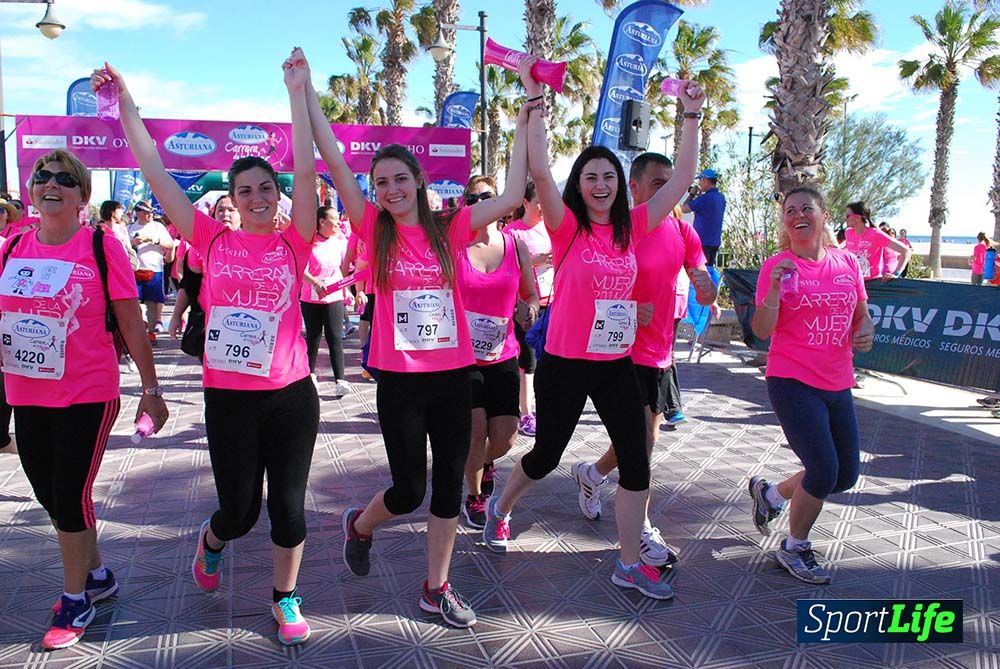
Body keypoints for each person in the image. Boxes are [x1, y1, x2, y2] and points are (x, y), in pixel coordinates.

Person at [94, 55, 320, 646]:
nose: (256, 198)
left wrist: (298, 91)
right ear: (233, 198)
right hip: (230, 398)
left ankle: (285, 597)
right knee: (240, 511)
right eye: (244, 191)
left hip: (293, 393)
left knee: (289, 510)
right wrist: (125, 107)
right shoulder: (209, 238)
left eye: (265, 189)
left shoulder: (295, 241)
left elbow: (302, 159)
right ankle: (214, 539)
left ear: (279, 194)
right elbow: (155, 168)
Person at [301, 46, 529, 628]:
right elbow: (329, 157)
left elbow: (508, 197)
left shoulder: (450, 225)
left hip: (454, 377)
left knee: (449, 486)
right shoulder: (372, 226)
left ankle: (437, 586)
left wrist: (529, 107)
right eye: (381, 181)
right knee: (408, 490)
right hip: (399, 381)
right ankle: (361, 524)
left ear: (419, 182)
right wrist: (304, 93)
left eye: (400, 178)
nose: (391, 188)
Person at [481, 66, 705, 602]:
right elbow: (537, 167)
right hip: (564, 361)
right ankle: (502, 506)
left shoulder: (635, 224)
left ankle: (628, 563)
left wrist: (691, 115)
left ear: (618, 185)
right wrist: (534, 101)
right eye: (590, 177)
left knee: (636, 458)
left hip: (616, 363)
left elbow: (679, 180)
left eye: (608, 176)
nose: (601, 185)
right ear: (579, 186)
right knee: (546, 456)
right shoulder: (567, 227)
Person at [0, 149, 168, 649]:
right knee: (49, 496)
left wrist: (152, 390)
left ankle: (75, 600)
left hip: (87, 392)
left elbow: (132, 321)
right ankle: (95, 574)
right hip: (26, 391)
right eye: (42, 177)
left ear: (82, 194)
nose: (51, 184)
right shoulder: (12, 247)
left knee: (71, 497)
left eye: (64, 179)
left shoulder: (101, 245)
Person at [570, 152, 716, 569]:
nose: (668, 191)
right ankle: (641, 531)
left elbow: (702, 286)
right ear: (633, 187)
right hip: (618, 350)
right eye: (658, 183)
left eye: (673, 183)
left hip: (660, 353)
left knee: (642, 441)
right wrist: (629, 309)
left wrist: (707, 290)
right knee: (642, 449)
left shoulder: (682, 232)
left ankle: (593, 474)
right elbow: (589, 286)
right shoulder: (621, 230)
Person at [748, 187, 873, 585]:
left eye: (806, 208)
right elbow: (761, 332)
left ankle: (771, 495)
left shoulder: (847, 262)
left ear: (823, 214)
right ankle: (795, 547)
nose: (798, 214)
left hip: (837, 379)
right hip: (792, 378)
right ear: (784, 221)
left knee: (845, 475)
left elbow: (861, 311)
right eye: (790, 210)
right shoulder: (778, 266)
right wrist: (771, 293)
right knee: (822, 468)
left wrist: (865, 326)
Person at [457, 175, 539, 529]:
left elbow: (531, 295)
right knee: (475, 430)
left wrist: (529, 308)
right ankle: (475, 497)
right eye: (471, 199)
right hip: (461, 359)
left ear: (501, 203)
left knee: (505, 438)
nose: (479, 203)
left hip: (503, 354)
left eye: (486, 196)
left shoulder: (515, 246)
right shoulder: (455, 246)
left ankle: (483, 463)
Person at [506, 182, 551, 437]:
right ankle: (526, 413)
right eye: (538, 203)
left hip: (551, 302)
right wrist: (532, 262)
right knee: (528, 361)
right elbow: (506, 267)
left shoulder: (551, 229)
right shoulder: (514, 232)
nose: (543, 208)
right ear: (525, 203)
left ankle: (544, 408)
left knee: (548, 361)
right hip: (524, 306)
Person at [300, 206, 351, 396]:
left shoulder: (339, 242)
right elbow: (301, 270)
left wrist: (346, 290)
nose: (338, 223)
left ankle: (340, 379)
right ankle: (309, 374)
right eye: (334, 219)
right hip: (311, 297)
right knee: (313, 336)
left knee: (335, 337)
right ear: (322, 221)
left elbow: (343, 269)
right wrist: (315, 283)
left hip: (334, 296)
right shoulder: (309, 243)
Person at [128, 200, 174, 342]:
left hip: (154, 270)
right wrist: (132, 243)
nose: (150, 216)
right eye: (147, 213)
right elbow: (121, 246)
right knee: (134, 302)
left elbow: (170, 244)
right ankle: (141, 327)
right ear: (138, 213)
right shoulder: (130, 228)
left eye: (152, 213)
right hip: (134, 270)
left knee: (153, 302)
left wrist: (154, 240)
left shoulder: (157, 227)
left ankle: (152, 331)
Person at [843, 201, 911, 280]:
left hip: (872, 283)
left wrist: (896, 274)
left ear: (858, 218)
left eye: (848, 216)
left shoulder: (875, 234)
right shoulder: (848, 233)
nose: (845, 218)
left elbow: (905, 251)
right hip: (855, 282)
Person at [681, 168, 726, 266]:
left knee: (698, 272)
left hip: (701, 242)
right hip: (714, 242)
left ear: (705, 180)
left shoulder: (704, 199)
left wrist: (691, 195)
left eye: (700, 180)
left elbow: (684, 208)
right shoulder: (721, 198)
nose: (700, 184)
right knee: (708, 270)